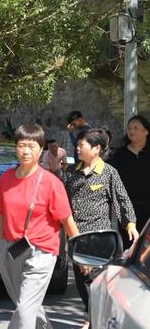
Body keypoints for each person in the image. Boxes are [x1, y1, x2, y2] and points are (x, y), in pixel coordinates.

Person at [0, 124, 79, 329]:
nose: (26, 151)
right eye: (21, 145)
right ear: (15, 148)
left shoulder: (50, 182)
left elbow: (67, 220)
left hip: (42, 251)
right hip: (11, 249)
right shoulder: (5, 179)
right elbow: (1, 213)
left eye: (31, 146)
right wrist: (1, 245)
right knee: (27, 304)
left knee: (24, 309)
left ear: (41, 149)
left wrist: (81, 250)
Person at [63, 129, 138, 329]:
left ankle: (91, 318)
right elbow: (61, 202)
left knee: (95, 279)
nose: (77, 148)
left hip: (100, 237)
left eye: (82, 145)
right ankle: (91, 314)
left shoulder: (109, 173)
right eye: (77, 145)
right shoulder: (70, 173)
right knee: (82, 280)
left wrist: (130, 223)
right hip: (76, 235)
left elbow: (122, 199)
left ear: (96, 149)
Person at [109, 115, 150, 242]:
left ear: (146, 131)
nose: (131, 131)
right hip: (127, 207)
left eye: (136, 128)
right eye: (129, 128)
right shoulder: (118, 155)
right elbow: (111, 179)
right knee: (129, 243)